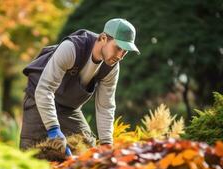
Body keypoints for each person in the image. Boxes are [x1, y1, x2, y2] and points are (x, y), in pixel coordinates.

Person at [20, 18, 140, 156]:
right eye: (118, 47)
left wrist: (107, 144)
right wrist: (53, 128)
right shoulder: (71, 48)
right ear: (103, 38)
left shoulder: (111, 68)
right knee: (32, 154)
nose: (120, 56)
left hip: (69, 108)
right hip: (39, 98)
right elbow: (45, 89)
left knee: (88, 150)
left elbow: (105, 106)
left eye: (125, 51)